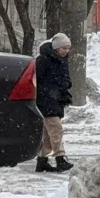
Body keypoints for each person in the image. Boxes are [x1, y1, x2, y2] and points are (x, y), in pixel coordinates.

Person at [35, 33, 74, 173]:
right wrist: (49, 90)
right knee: (56, 129)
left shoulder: (62, 60)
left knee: (48, 132)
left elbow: (64, 78)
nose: (66, 51)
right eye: (64, 48)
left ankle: (42, 161)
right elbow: (37, 79)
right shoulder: (44, 60)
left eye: (68, 48)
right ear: (56, 48)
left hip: (56, 98)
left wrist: (66, 84)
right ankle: (60, 158)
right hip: (46, 99)